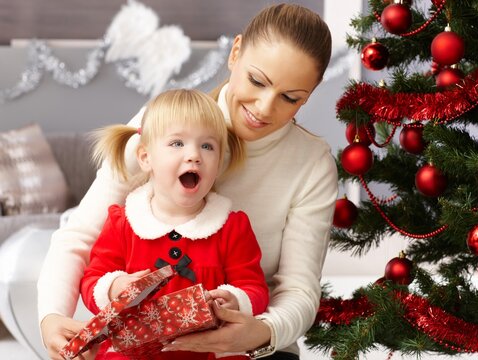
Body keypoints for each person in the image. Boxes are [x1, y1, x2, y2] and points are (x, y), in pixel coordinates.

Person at [38, 3, 338, 360]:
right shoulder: (163, 124)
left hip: (253, 348)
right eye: (257, 81)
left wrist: (261, 332)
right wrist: (52, 317)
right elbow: (81, 235)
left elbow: (299, 291)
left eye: (291, 98)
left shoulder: (312, 163)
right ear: (236, 52)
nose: (264, 108)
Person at [75, 89, 268, 360]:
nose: (194, 155)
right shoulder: (124, 221)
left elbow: (255, 288)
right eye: (177, 143)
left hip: (208, 353)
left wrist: (234, 299)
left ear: (219, 162)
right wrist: (114, 286)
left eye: (207, 146)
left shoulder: (230, 226)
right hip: (133, 353)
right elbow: (91, 280)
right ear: (145, 158)